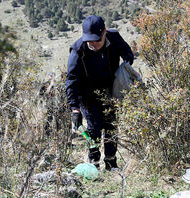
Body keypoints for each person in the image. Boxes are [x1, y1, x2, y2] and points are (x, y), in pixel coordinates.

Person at [65, 15, 134, 171]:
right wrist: (74, 108)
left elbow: (127, 52)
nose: (93, 44)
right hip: (88, 94)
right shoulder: (78, 50)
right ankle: (94, 163)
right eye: (89, 40)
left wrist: (126, 67)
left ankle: (111, 164)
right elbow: (71, 79)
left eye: (96, 39)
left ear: (104, 32)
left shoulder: (114, 37)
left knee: (111, 127)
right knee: (94, 128)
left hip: (111, 90)